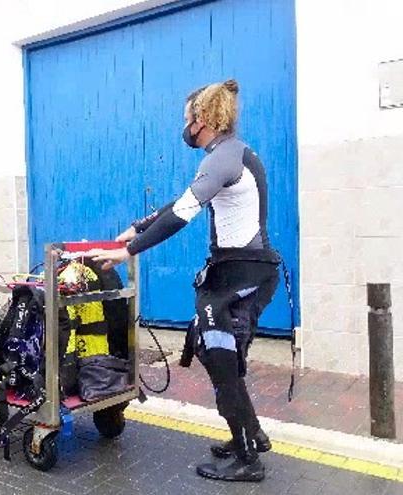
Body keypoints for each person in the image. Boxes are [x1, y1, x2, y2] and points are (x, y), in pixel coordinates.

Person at [87, 80, 279, 483]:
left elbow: (183, 213)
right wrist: (137, 227)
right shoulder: (230, 153)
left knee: (221, 359)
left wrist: (130, 250)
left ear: (202, 119)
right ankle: (249, 434)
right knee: (223, 357)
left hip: (240, 275)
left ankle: (248, 461)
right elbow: (182, 199)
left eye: (186, 119)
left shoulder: (223, 158)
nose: (184, 127)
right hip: (243, 272)